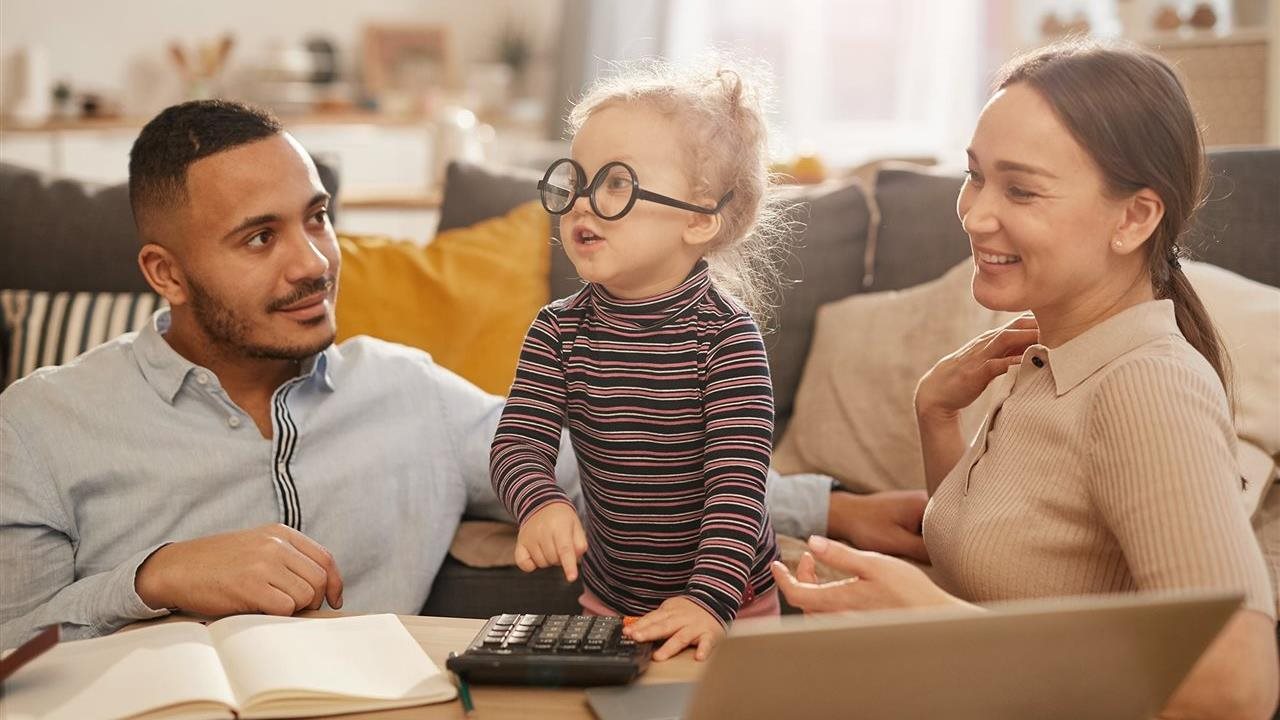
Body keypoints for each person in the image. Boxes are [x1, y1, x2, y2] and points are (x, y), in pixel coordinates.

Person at [0, 98, 921, 649]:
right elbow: (12, 639)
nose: (314, 262)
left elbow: (614, 468)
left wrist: (830, 508)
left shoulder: (407, 392)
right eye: (260, 238)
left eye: (317, 219)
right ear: (165, 274)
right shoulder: (44, 422)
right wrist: (153, 577)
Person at [771, 40, 1278, 719]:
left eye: (1021, 189)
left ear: (1134, 218)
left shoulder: (1147, 387)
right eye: (975, 175)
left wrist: (928, 621)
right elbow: (996, 569)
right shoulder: (1052, 357)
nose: (975, 214)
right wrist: (935, 416)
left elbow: (1236, 689)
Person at [490, 61, 786, 662]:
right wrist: (540, 501)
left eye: (617, 184)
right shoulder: (558, 330)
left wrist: (709, 601)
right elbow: (517, 444)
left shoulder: (727, 340)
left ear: (700, 219)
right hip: (610, 601)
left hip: (734, 607)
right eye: (574, 181)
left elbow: (737, 491)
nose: (580, 204)